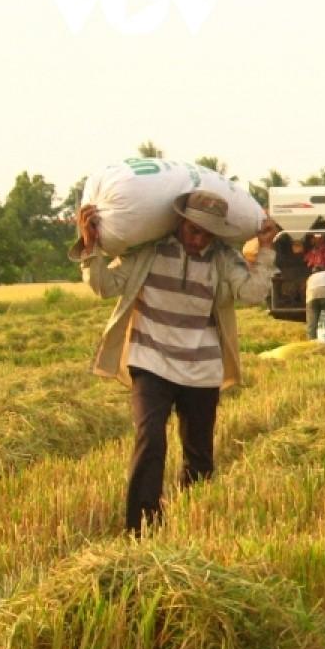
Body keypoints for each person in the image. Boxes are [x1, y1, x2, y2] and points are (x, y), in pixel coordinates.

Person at [71, 190, 279, 535]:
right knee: (149, 439)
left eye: (207, 233)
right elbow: (105, 286)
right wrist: (90, 244)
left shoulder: (222, 258)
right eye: (194, 231)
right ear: (181, 222)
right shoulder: (149, 250)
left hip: (201, 367)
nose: (200, 239)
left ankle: (192, 522)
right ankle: (141, 528)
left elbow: (252, 293)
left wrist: (266, 249)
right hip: (150, 360)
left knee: (199, 454)